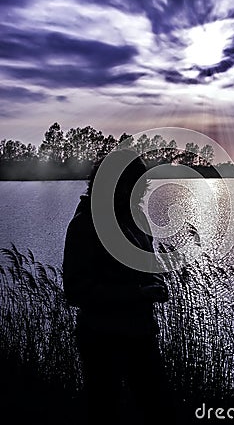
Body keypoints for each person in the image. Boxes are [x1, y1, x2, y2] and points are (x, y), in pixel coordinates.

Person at [62, 150, 173, 425]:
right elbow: (76, 291)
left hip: (141, 334)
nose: (140, 195)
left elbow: (146, 264)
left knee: (156, 408)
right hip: (102, 339)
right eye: (133, 187)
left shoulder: (135, 217)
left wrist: (155, 280)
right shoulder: (85, 224)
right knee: (104, 412)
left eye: (142, 188)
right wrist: (137, 293)